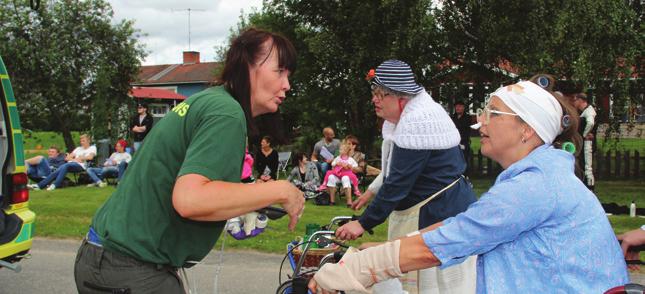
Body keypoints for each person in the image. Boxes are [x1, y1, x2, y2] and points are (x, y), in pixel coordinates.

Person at [310, 80, 629, 293]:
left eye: (493, 112)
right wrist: (386, 248)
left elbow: (440, 244)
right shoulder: (539, 175)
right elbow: (466, 226)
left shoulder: (535, 185)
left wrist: (359, 268)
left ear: (526, 131)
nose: (481, 120)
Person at [74, 28, 305, 293]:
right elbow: (190, 200)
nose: (287, 84)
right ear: (247, 65)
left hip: (106, 258)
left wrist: (240, 204)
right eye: (280, 70)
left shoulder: (208, 101)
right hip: (131, 269)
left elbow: (178, 183)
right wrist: (278, 189)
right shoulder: (227, 113)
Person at [338, 60, 478, 293]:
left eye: (381, 94)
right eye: (374, 93)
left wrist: (363, 223)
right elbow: (399, 167)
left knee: (434, 284)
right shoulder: (412, 114)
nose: (374, 99)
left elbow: (398, 184)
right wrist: (372, 190)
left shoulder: (418, 121)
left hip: (437, 213)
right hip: (438, 208)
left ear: (401, 98)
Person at [28, 134, 97, 191]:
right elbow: (67, 158)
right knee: (59, 170)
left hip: (81, 166)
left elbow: (90, 157)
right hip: (71, 164)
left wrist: (80, 158)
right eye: (81, 141)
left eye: (83, 141)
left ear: (89, 141)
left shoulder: (92, 148)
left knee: (64, 167)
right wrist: (76, 159)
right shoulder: (78, 149)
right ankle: (40, 186)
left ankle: (53, 185)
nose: (81, 142)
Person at [572, 93, 596, 191]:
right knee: (583, 164)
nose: (574, 102)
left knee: (587, 167)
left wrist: (585, 134)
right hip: (583, 143)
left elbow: (590, 123)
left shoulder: (589, 111)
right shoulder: (584, 112)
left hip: (587, 144)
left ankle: (590, 188)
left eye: (575, 100)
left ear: (581, 100)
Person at [451, 100, 472, 176]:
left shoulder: (467, 118)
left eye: (459, 106)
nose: (457, 108)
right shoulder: (452, 117)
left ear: (463, 107)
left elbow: (466, 130)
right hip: (454, 142)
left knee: (464, 159)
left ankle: (465, 175)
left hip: (464, 142)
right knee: (454, 159)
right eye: (456, 106)